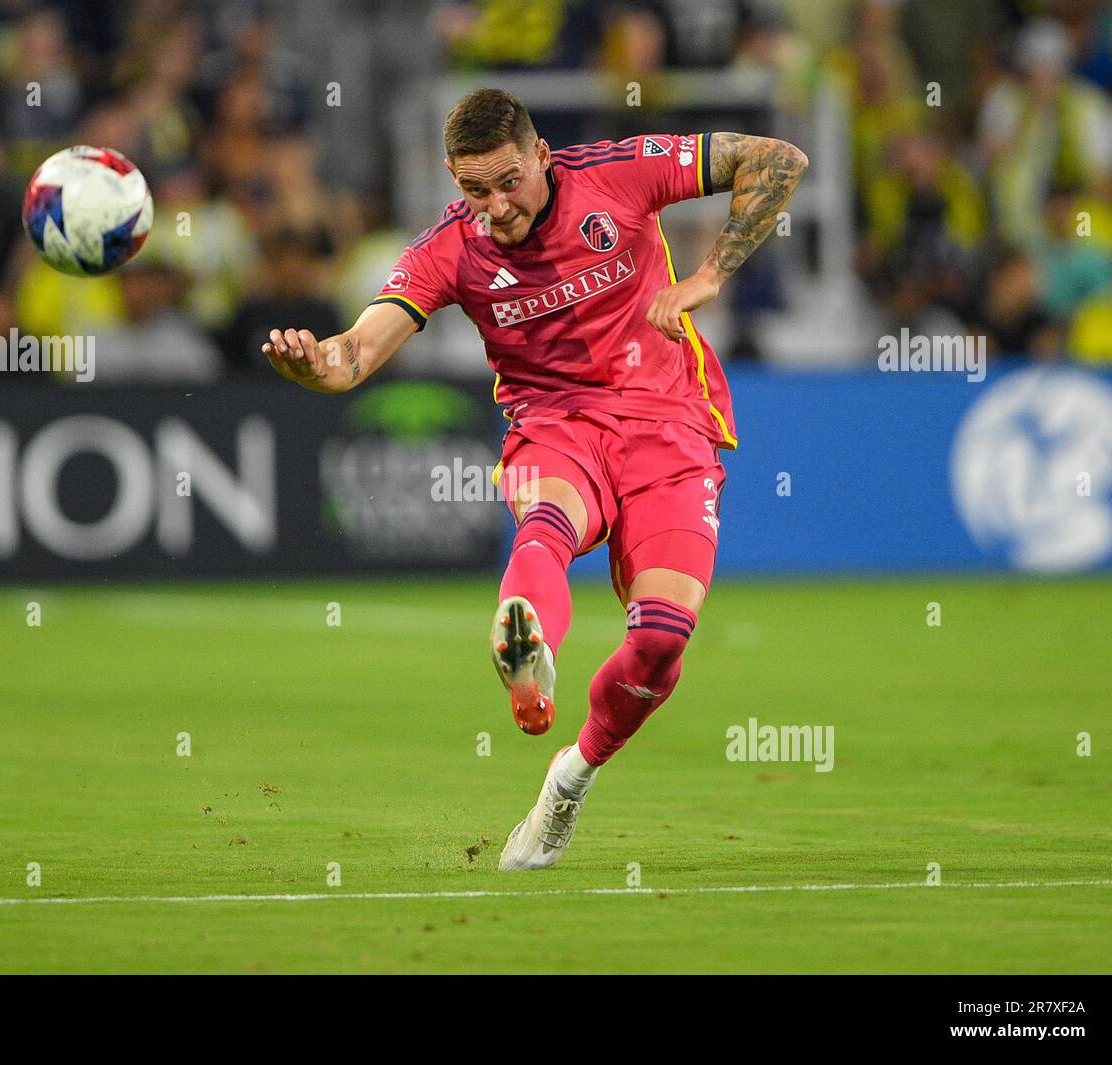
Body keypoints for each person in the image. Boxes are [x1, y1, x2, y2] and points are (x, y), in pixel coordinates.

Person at [263, 89, 807, 871]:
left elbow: (779, 157)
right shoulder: (448, 249)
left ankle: (568, 781)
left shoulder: (619, 175)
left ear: (542, 155)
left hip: (667, 423)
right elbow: (354, 355)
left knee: (658, 640)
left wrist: (711, 272)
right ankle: (527, 650)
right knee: (546, 521)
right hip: (554, 427)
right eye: (473, 190)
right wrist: (315, 366)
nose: (494, 207)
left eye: (507, 182)